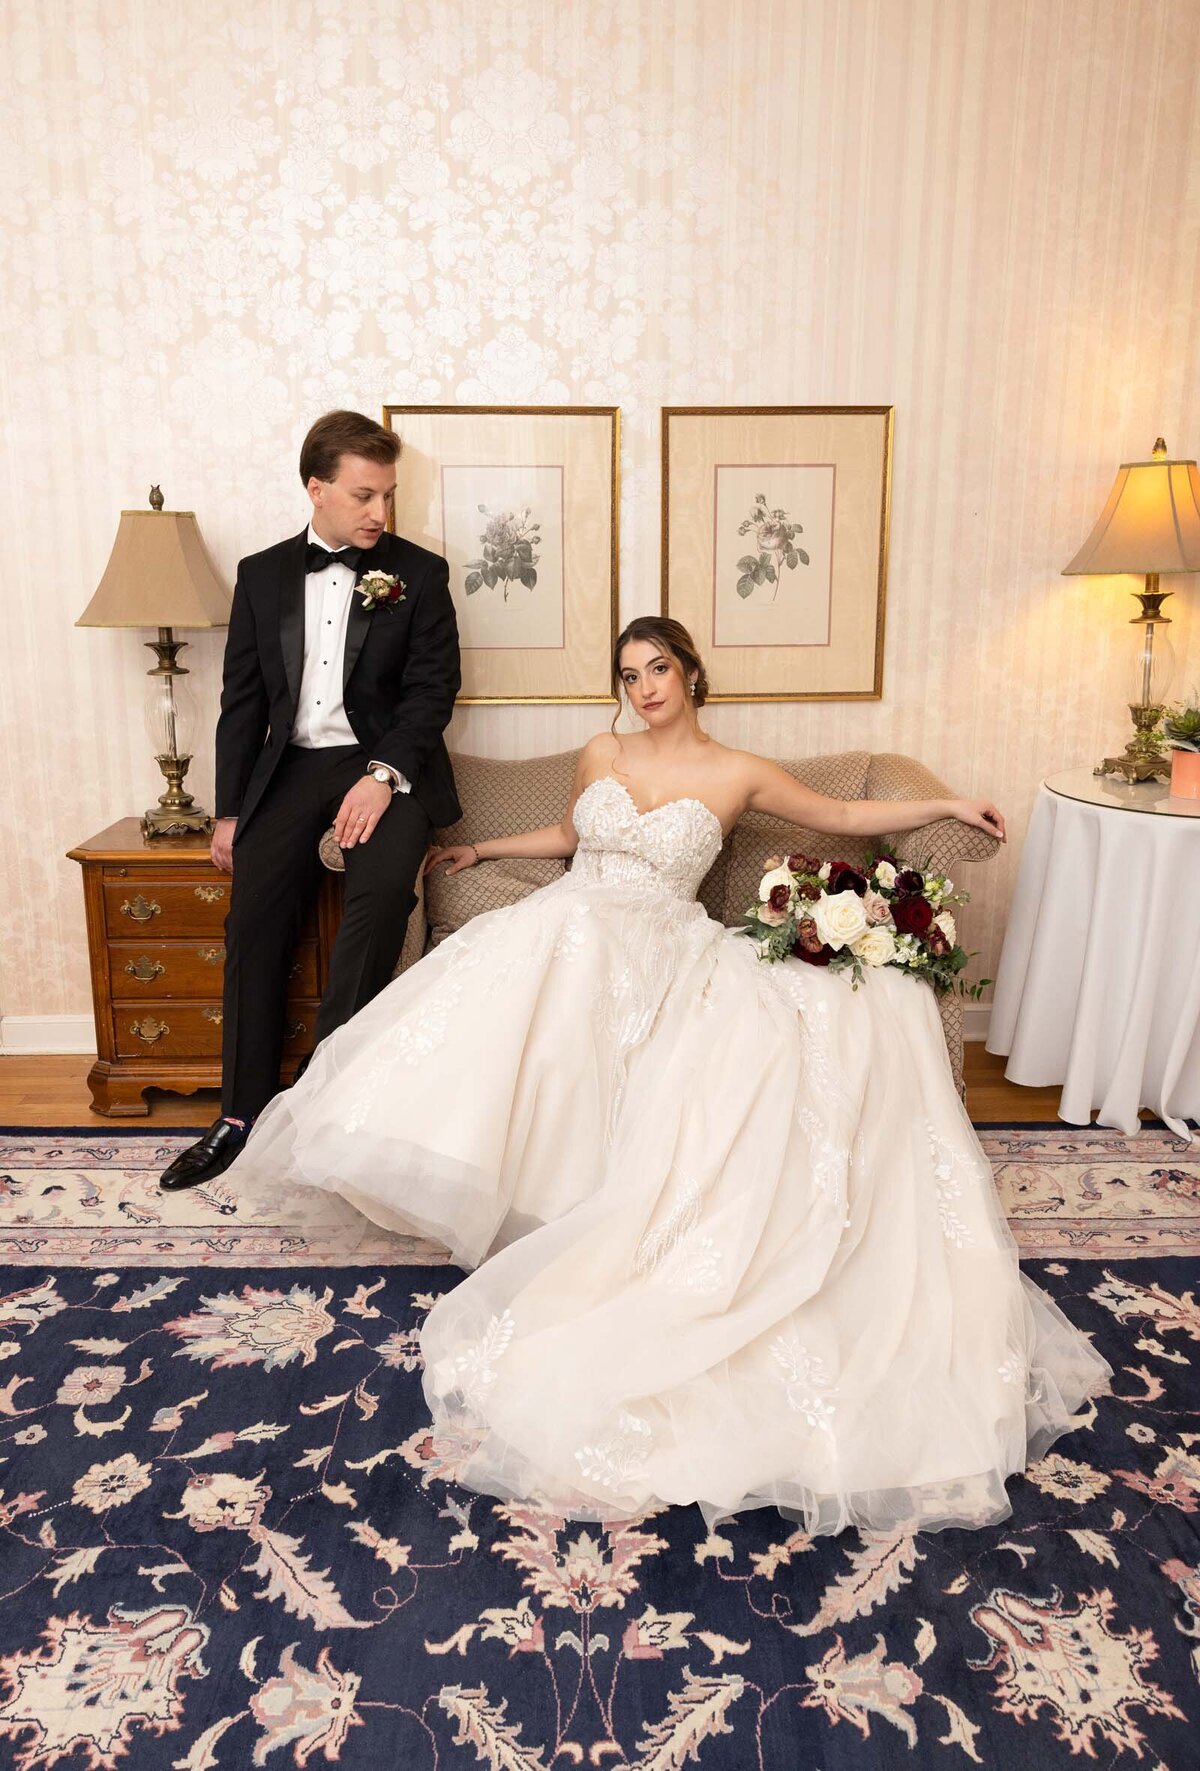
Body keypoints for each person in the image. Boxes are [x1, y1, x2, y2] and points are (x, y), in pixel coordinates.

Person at [226, 615, 1111, 1534]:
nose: (644, 686)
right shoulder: (602, 747)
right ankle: (503, 1186)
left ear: (690, 673)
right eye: (628, 673)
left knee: (604, 972)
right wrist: (484, 851)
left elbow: (844, 818)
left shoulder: (737, 771)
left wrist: (946, 806)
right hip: (574, 919)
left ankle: (588, 1209)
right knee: (549, 946)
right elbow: (572, 834)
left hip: (661, 940)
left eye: (658, 668)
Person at [160, 410, 461, 1191]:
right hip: (288, 771)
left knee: (383, 898)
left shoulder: (421, 575)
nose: (379, 513)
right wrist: (229, 811)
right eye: (364, 495)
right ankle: (238, 1115)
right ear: (316, 487)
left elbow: (433, 693)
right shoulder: (260, 576)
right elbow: (242, 701)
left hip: (385, 767)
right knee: (252, 920)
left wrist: (382, 774)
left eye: (388, 496)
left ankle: (324, 1104)